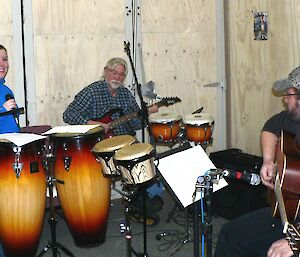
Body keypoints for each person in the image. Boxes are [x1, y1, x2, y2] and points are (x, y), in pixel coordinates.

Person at [63, 57, 164, 225]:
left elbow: (136, 123)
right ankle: (137, 203)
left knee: (149, 161)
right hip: (102, 145)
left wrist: (147, 113)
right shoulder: (92, 92)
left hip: (128, 143)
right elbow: (68, 114)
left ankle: (142, 204)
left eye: (121, 75)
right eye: (114, 73)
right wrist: (93, 123)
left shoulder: (125, 94)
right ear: (106, 71)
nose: (117, 77)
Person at [214, 66, 300, 257]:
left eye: (289, 94)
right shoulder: (292, 118)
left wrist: (296, 240)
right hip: (288, 210)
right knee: (230, 234)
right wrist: (268, 160)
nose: (284, 99)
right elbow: (270, 127)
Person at [0, 45, 19, 134]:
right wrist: (3, 110)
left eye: (5, 59)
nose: (2, 64)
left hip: (13, 144)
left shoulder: (7, 91)